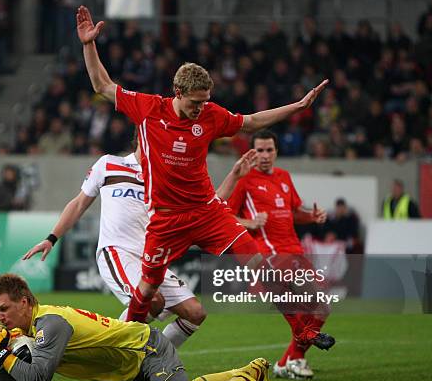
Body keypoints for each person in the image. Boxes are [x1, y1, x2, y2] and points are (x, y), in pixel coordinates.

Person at [76, 5, 328, 323]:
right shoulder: (148, 108)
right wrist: (88, 44)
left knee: (256, 261)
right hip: (166, 220)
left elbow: (251, 121)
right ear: (178, 93)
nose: (201, 108)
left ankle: (302, 330)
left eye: (205, 101)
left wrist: (299, 106)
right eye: (195, 102)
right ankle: (124, 346)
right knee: (147, 292)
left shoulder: (210, 115)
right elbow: (102, 85)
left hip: (207, 212)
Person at [22, 138, 256, 349]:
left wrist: (234, 176)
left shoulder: (168, 178)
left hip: (153, 257)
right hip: (117, 252)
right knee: (153, 301)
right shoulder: (109, 164)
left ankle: (153, 358)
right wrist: (52, 237)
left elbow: (208, 209)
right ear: (141, 137)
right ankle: (110, 356)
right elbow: (79, 203)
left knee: (195, 313)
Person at [0, 273, 278, 381]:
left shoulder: (51, 324)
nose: (0, 317)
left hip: (145, 350)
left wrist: (4, 356)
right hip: (129, 372)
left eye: (4, 309)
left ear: (24, 302)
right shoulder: (33, 327)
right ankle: (247, 370)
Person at [227, 130, 334, 380]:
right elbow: (226, 216)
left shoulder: (284, 177)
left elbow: (291, 212)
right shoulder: (244, 179)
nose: (265, 155)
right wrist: (250, 222)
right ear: (251, 153)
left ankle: (287, 361)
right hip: (270, 254)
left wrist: (311, 217)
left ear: (276, 151)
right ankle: (295, 359)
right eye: (260, 150)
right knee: (310, 306)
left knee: (321, 309)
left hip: (295, 250)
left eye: (269, 150)